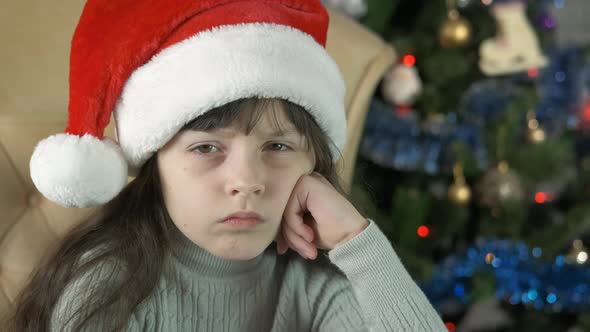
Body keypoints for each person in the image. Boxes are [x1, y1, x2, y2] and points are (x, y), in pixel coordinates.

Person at [8, 0, 446, 331]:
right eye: (206, 149)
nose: (246, 181)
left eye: (277, 146)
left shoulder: (319, 284)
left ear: (314, 161)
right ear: (155, 164)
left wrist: (357, 242)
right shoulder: (108, 289)